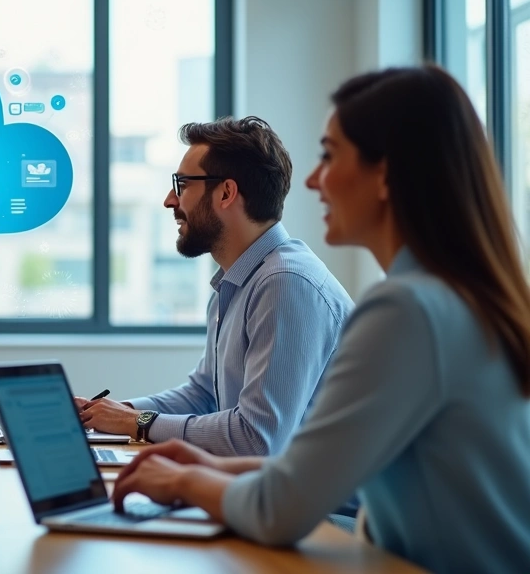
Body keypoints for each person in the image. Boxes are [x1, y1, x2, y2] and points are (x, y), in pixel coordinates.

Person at [112, 66, 530, 573]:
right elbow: (317, 468)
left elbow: (281, 507)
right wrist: (204, 464)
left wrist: (181, 481)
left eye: (329, 156)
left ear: (385, 175)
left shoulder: (405, 310)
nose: (312, 180)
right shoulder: (450, 296)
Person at [77, 117, 353, 457]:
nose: (169, 200)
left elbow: (257, 440)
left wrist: (137, 421)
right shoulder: (236, 283)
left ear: (226, 193)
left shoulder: (286, 284)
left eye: (182, 185)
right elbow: (204, 395)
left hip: (328, 510)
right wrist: (106, 413)